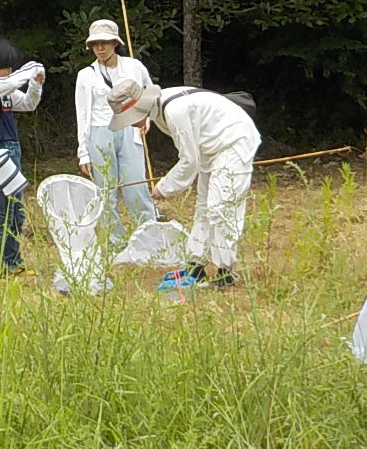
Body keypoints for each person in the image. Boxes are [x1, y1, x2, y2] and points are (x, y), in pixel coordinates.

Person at [105, 78, 260, 288]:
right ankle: (196, 267)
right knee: (204, 206)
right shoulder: (160, 109)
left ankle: (225, 272)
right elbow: (193, 156)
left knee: (221, 206)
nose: (130, 123)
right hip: (210, 146)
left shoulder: (173, 111)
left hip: (234, 141)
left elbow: (189, 160)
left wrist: (164, 187)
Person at [73, 18, 157, 246]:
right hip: (100, 132)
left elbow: (150, 93)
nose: (100, 48)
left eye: (105, 43)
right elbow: (82, 115)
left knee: (136, 186)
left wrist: (146, 117)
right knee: (106, 192)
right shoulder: (86, 75)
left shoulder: (134, 67)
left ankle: (149, 238)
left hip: (130, 129)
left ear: (115, 43)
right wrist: (84, 152)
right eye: (95, 44)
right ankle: (115, 241)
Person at [0, 37, 45, 275]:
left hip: (10, 151)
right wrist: (30, 69)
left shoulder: (4, 87)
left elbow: (28, 104)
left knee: (16, 212)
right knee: (2, 213)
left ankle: (12, 263)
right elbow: (13, 81)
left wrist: (36, 83)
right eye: (7, 66)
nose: (10, 71)